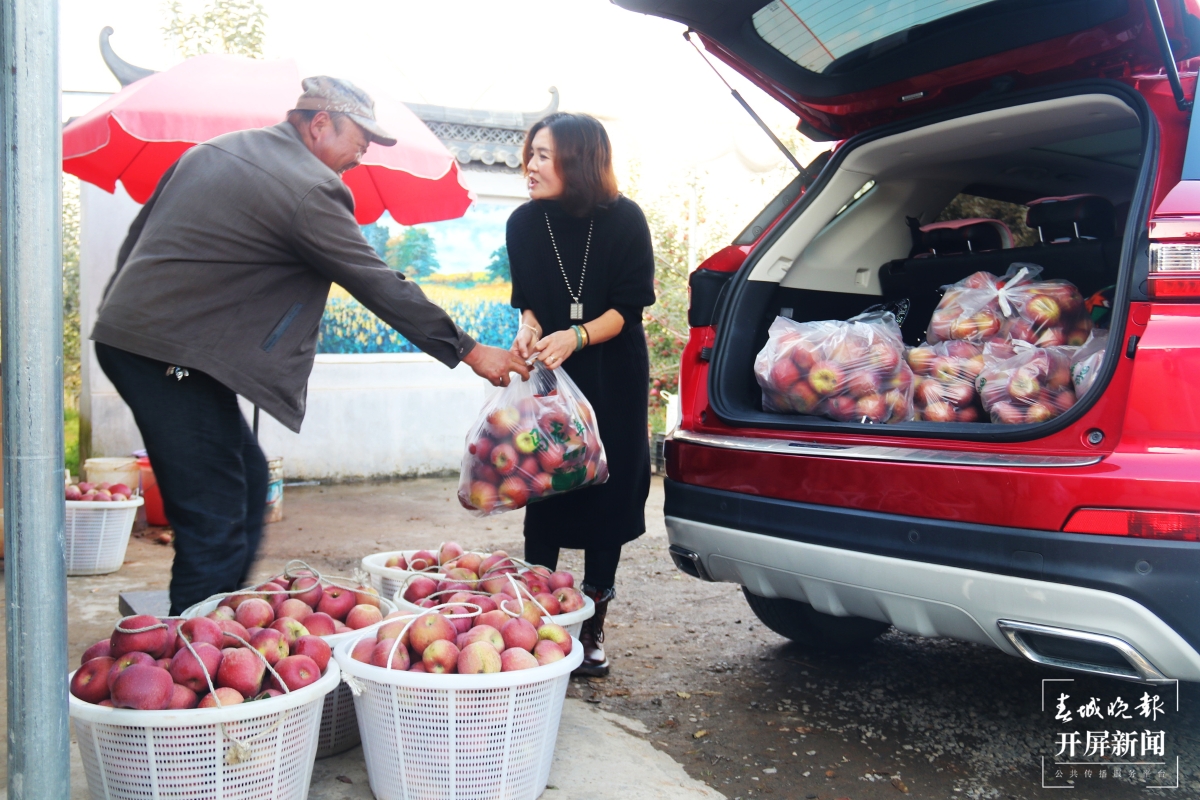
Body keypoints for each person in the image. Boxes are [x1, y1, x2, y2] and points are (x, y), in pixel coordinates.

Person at [92, 77, 529, 615]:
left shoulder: (216, 150)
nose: (364, 151)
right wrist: (468, 349)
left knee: (247, 482)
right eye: (361, 137)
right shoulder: (308, 184)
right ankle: (195, 646)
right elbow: (374, 279)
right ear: (320, 123)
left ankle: (215, 622)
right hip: (170, 358)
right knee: (218, 511)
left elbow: (140, 242)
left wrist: (122, 320)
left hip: (145, 344)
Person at [507, 112, 655, 676]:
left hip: (612, 372)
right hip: (553, 375)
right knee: (544, 485)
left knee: (608, 498)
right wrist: (528, 329)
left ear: (579, 159)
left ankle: (592, 626)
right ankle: (537, 626)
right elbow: (531, 302)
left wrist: (579, 335)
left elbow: (630, 307)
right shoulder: (524, 223)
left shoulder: (625, 220)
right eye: (531, 153)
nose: (531, 164)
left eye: (544, 155)